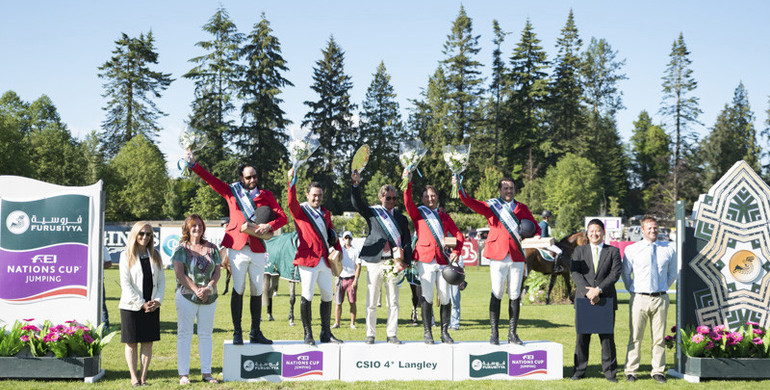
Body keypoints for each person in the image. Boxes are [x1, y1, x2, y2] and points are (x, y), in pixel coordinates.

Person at [186, 151, 287, 345]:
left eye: (255, 176)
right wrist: (193, 165)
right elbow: (212, 180)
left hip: (257, 248)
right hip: (237, 247)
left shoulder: (267, 195)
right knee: (238, 289)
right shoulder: (232, 191)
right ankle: (237, 332)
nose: (252, 180)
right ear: (241, 178)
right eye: (248, 177)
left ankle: (255, 332)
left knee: (257, 289)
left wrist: (270, 226)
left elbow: (282, 217)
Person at [456, 176, 540, 344]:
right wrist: (459, 186)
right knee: (497, 292)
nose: (509, 191)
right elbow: (470, 202)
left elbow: (536, 227)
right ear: (500, 190)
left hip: (516, 255)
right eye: (506, 188)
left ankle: (512, 334)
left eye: (511, 188)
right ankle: (494, 333)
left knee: (515, 294)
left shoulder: (521, 207)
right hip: (497, 255)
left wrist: (537, 237)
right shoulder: (492, 206)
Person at [351, 170, 413, 344]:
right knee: (371, 300)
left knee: (393, 301)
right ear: (381, 198)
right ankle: (370, 334)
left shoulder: (401, 218)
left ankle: (391, 334)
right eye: (388, 198)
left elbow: (407, 240)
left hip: (393, 263)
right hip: (374, 262)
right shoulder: (373, 213)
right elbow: (357, 203)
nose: (391, 201)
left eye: (394, 198)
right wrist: (355, 185)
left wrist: (406, 261)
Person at [403, 173, 464, 344]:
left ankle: (444, 332)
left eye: (433, 195)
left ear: (437, 197)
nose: (430, 198)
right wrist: (408, 182)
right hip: (425, 260)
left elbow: (458, 234)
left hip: (443, 261)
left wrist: (457, 250)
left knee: (445, 297)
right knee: (427, 296)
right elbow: (407, 202)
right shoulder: (418, 213)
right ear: (422, 199)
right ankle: (427, 331)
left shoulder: (445, 216)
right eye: (427, 196)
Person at [288, 169, 344, 345]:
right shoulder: (301, 211)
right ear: (307, 194)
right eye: (314, 195)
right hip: (308, 260)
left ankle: (326, 333)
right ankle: (308, 334)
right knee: (308, 295)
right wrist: (291, 182)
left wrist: (339, 250)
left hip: (325, 260)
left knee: (328, 295)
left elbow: (331, 233)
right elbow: (291, 202)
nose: (317, 199)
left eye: (319, 196)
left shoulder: (325, 213)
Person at [622, 215, 677, 384]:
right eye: (649, 228)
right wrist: (635, 290)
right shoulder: (632, 250)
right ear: (642, 230)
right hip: (639, 298)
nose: (653, 230)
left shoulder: (668, 249)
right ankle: (631, 370)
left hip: (660, 298)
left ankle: (658, 370)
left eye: (655, 227)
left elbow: (672, 273)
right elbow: (626, 274)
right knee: (635, 336)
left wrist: (661, 288)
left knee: (659, 338)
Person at [570, 219, 622, 382]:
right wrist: (588, 292)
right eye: (591, 230)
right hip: (584, 299)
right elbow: (575, 272)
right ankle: (579, 371)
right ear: (587, 233)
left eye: (598, 230)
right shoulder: (579, 251)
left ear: (603, 232)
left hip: (605, 299)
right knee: (582, 338)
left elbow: (615, 274)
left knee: (607, 339)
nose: (595, 233)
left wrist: (598, 290)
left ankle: (610, 373)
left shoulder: (613, 251)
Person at [172, 215, 221, 385]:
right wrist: (196, 289)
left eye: (200, 225)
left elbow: (217, 272)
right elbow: (179, 273)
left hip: (210, 297)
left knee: (206, 335)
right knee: (185, 334)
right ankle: (183, 374)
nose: (197, 228)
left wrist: (208, 288)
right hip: (186, 296)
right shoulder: (181, 249)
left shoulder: (213, 248)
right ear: (187, 228)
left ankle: (207, 373)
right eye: (193, 226)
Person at [118, 222, 165, 387]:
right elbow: (126, 284)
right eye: (142, 233)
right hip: (131, 306)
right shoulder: (126, 255)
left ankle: (143, 378)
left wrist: (157, 301)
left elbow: (161, 282)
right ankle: (134, 378)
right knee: (131, 343)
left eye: (149, 234)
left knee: (148, 342)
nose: (145, 237)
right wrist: (141, 303)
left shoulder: (156, 255)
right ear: (135, 234)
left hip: (152, 306)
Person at [332, 231, 362, 329]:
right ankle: (337, 323)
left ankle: (352, 323)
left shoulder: (355, 251)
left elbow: (358, 266)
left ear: (351, 239)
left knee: (352, 302)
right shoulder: (339, 250)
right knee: (338, 302)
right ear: (343, 239)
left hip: (351, 279)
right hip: (340, 278)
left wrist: (356, 280)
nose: (347, 240)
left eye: (349, 238)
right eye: (346, 238)